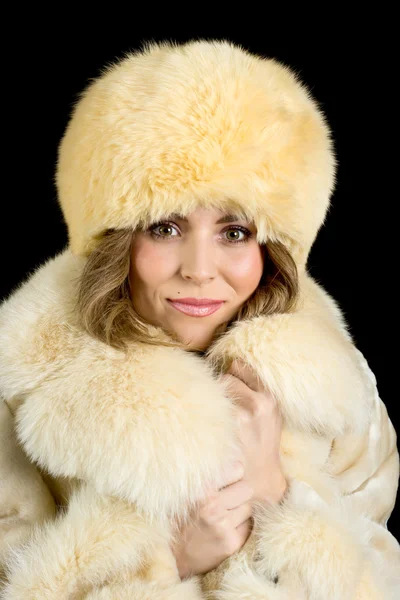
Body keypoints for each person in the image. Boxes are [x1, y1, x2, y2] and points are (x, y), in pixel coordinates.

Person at [0, 39, 398, 599]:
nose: (199, 270)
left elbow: (381, 576)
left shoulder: (337, 387)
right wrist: (170, 560)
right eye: (165, 227)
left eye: (234, 232)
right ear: (118, 240)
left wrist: (279, 499)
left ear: (272, 247)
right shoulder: (21, 383)